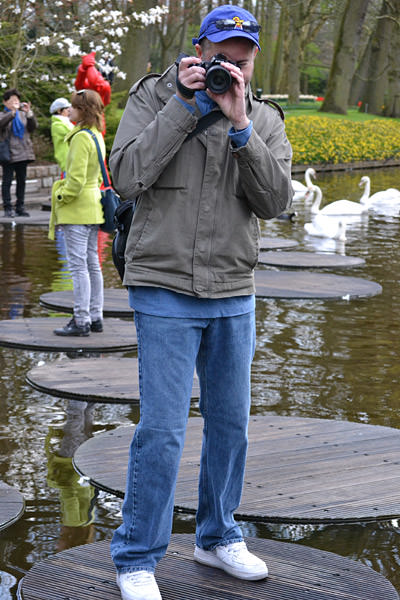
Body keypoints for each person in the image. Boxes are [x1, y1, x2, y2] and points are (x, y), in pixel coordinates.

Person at [109, 5, 293, 600]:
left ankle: (217, 537)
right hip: (163, 285)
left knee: (231, 425)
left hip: (234, 290)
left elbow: (276, 203)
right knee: (162, 429)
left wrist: (240, 127)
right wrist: (184, 107)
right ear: (199, 49)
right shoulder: (153, 98)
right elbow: (127, 176)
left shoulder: (263, 119)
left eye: (241, 59)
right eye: (220, 56)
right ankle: (137, 555)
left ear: (254, 58)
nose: (229, 67)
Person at [48, 89, 105, 337]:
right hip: (93, 207)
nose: (69, 110)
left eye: (73, 106)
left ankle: (81, 320)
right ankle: (96, 316)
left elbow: (76, 180)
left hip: (77, 208)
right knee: (92, 264)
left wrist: (61, 196)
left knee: (78, 267)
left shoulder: (81, 137)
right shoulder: (96, 135)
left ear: (84, 110)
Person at [0, 88, 37, 217]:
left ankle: (20, 206)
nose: (16, 102)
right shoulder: (3, 115)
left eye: (17, 100)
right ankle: (7, 207)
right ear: (5, 102)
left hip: (23, 153)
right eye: (12, 100)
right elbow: (1, 124)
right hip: (9, 154)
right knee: (7, 182)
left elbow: (32, 128)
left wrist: (29, 114)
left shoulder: (23, 115)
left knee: (22, 181)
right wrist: (12, 113)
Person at [50, 97, 73, 176]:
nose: (69, 110)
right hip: (66, 161)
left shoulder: (66, 122)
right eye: (67, 108)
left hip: (72, 160)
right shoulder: (57, 125)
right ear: (59, 111)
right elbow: (72, 133)